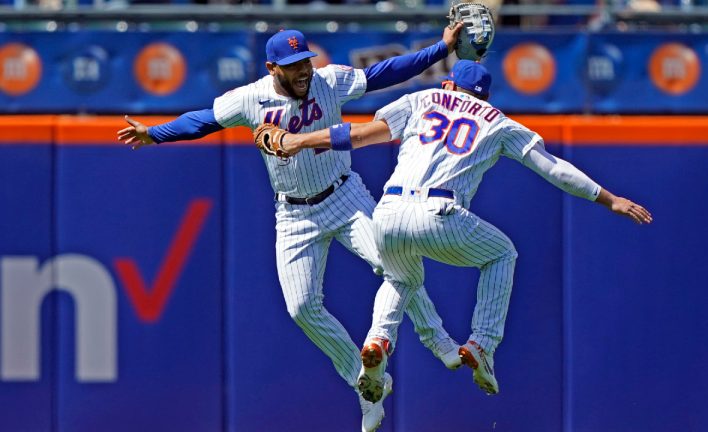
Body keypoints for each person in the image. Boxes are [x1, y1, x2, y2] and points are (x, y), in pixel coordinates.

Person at [117, 26, 465, 432]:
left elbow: (385, 72)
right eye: (292, 66)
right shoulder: (251, 98)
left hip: (345, 196)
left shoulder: (328, 80)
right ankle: (366, 383)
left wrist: (440, 49)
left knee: (395, 261)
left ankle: (437, 338)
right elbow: (203, 121)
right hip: (295, 215)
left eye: (305, 62)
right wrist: (154, 134)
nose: (303, 71)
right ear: (272, 68)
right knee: (301, 308)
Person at [276, 59, 653, 402]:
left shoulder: (425, 98)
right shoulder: (497, 120)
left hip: (388, 211)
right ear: (484, 96)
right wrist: (609, 199)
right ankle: (482, 344)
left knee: (400, 277)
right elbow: (552, 168)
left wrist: (299, 141)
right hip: (438, 211)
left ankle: (378, 340)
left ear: (451, 86)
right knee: (502, 253)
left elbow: (357, 136)